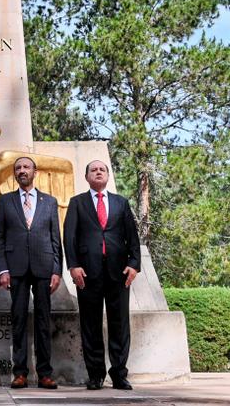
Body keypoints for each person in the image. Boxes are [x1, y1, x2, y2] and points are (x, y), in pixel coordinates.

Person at [64, 160, 140, 390]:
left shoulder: (121, 203)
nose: (98, 172)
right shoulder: (77, 203)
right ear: (87, 177)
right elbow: (70, 236)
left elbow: (132, 238)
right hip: (87, 273)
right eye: (93, 170)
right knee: (90, 324)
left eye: (102, 169)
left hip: (119, 273)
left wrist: (134, 265)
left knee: (120, 324)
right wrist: (73, 266)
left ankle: (119, 374)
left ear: (108, 175)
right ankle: (95, 375)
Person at [0, 156, 63, 389]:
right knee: (19, 320)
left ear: (36, 172)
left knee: (43, 321)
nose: (22, 171)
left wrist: (57, 270)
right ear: (15, 174)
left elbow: (56, 239)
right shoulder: (5, 201)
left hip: (44, 268)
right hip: (16, 269)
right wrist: (2, 269)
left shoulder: (49, 202)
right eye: (18, 168)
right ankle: (20, 373)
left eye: (26, 167)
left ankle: (44, 373)